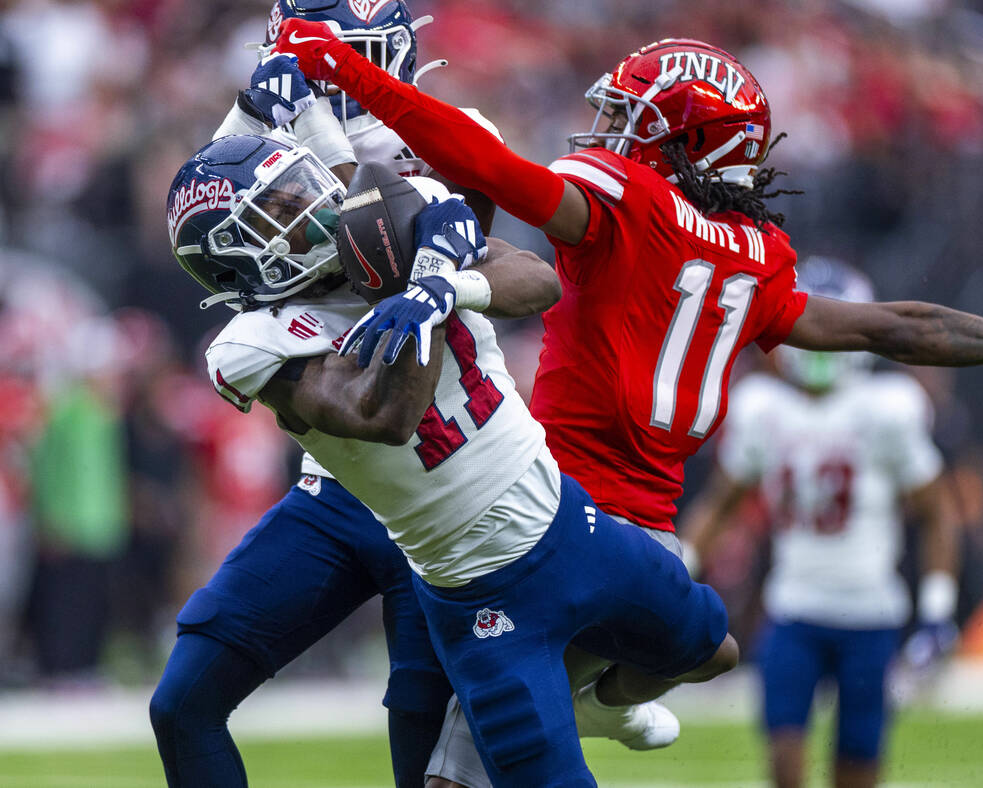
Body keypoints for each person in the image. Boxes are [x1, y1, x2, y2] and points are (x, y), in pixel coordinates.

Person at [271, 23, 983, 786]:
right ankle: (609, 703)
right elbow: (898, 326)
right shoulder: (757, 257)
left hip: (542, 519)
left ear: (684, 143)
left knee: (462, 749)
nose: (608, 132)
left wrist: (351, 70)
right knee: (707, 647)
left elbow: (488, 164)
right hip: (646, 539)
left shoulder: (630, 205)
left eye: (631, 122)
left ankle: (579, 709)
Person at [163, 132, 739, 788]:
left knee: (714, 650)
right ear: (241, 258)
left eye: (303, 187)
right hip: (478, 590)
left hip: (571, 524)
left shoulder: (394, 221)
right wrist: (423, 288)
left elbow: (539, 281)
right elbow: (384, 415)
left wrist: (450, 281)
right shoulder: (251, 345)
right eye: (280, 211)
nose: (316, 209)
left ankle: (597, 706)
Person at [152, 4, 532, 786]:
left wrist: (435, 284)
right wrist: (261, 110)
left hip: (444, 485)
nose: (328, 74)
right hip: (336, 485)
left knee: (423, 766)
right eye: (312, 55)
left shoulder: (446, 132)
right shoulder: (263, 130)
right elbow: (217, 233)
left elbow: (463, 251)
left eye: (345, 56)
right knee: (183, 702)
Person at [679, 258, 959, 788]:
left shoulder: (887, 408)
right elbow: (720, 504)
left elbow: (940, 509)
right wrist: (676, 575)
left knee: (856, 770)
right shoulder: (763, 408)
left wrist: (937, 610)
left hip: (871, 615)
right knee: (786, 769)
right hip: (794, 612)